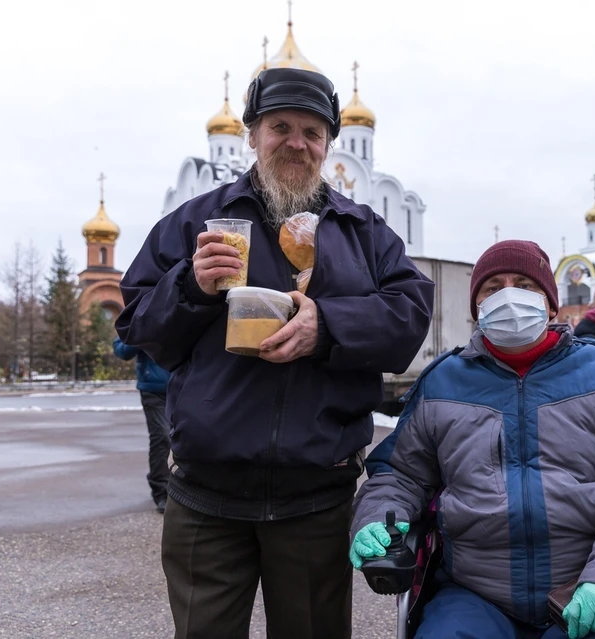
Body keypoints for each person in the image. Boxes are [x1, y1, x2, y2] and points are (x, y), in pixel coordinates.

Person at [115, 67, 434, 639]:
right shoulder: (197, 224)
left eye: (312, 132)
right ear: (253, 135)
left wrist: (328, 325)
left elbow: (408, 320)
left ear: (329, 145)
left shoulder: (362, 232)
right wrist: (188, 286)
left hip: (316, 498)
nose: (296, 142)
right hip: (205, 497)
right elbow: (139, 325)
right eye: (280, 126)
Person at [350, 240, 595, 639]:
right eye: (493, 288)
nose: (509, 295)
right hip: (473, 593)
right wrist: (377, 518)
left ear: (551, 304)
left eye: (524, 284)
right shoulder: (442, 383)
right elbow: (400, 474)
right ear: (477, 309)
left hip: (587, 584)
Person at [112, 336, 172, 513]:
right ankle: (161, 490)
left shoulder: (184, 309)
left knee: (187, 437)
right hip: (153, 389)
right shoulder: (143, 311)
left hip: (183, 385)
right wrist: (143, 333)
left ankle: (184, 489)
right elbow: (122, 350)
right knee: (162, 436)